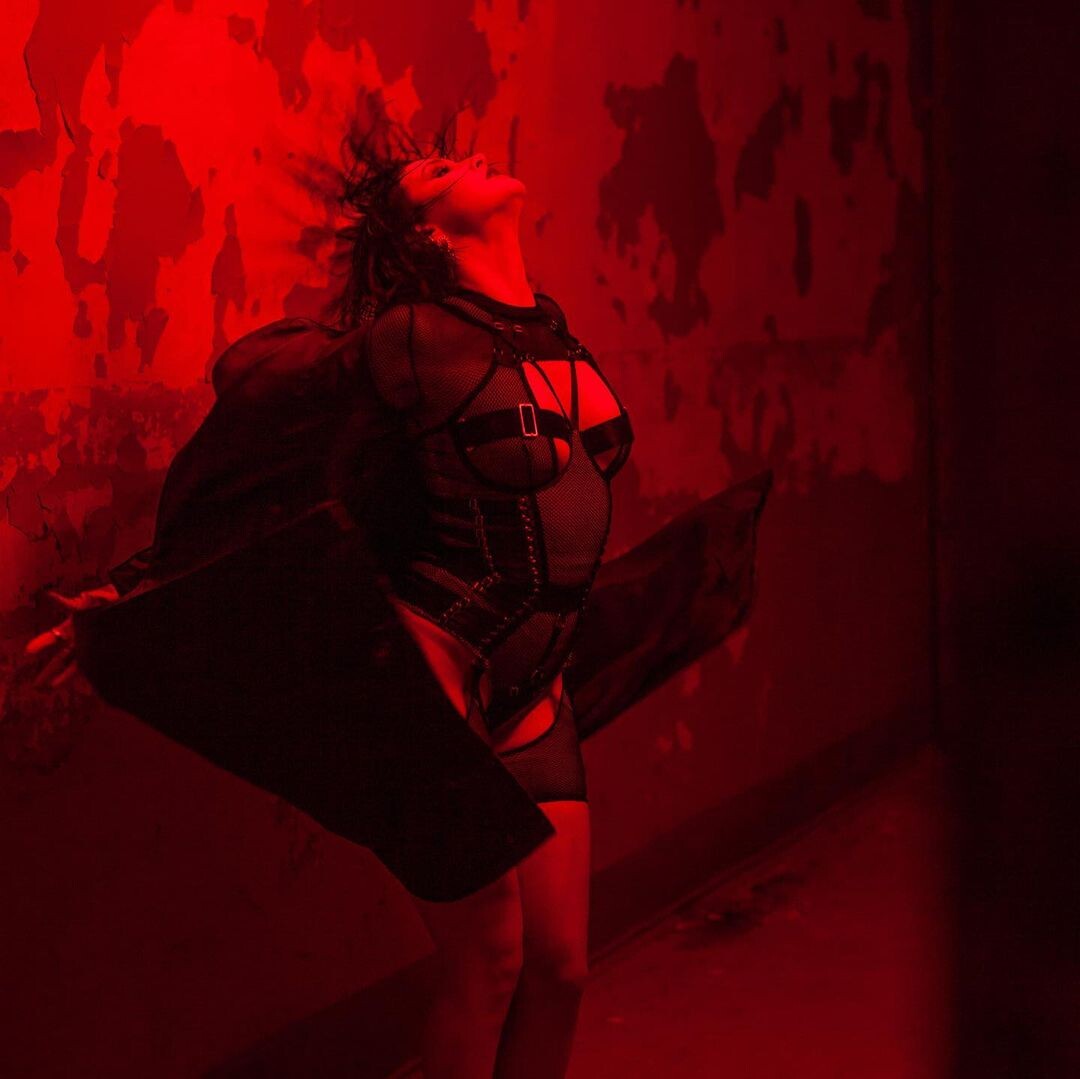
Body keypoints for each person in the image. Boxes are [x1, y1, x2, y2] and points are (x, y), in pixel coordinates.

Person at [21, 103, 771, 1078]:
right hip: (439, 668)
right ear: (427, 233)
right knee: (489, 962)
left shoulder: (550, 332)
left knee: (561, 968)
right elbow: (268, 439)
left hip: (535, 686)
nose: (471, 157)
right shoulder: (415, 337)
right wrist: (141, 588)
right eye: (441, 172)